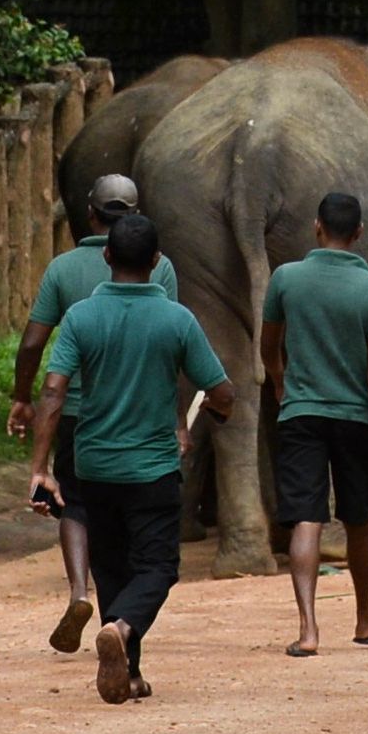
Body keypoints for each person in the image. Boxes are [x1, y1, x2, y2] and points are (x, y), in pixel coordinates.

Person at [31, 213, 232, 704]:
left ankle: (129, 672)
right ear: (158, 261)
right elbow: (220, 389)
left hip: (93, 465)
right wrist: (217, 411)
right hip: (152, 468)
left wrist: (39, 467)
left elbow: (54, 392)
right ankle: (119, 630)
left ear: (106, 257)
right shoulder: (177, 320)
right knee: (158, 567)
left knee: (113, 567)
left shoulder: (80, 317)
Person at [9, 173, 179, 654]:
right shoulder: (160, 268)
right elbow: (172, 343)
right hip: (137, 413)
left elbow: (33, 341)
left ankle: (80, 591)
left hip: (75, 411)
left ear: (90, 214)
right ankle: (123, 618)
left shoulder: (63, 269)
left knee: (75, 503)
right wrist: (177, 421)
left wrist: (23, 396)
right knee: (133, 520)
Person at [260, 191, 368, 658]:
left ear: (316, 227)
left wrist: (283, 385)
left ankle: (308, 630)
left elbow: (269, 345)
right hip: (356, 418)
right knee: (357, 521)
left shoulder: (286, 279)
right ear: (360, 233)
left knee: (306, 518)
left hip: (301, 415)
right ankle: (365, 618)